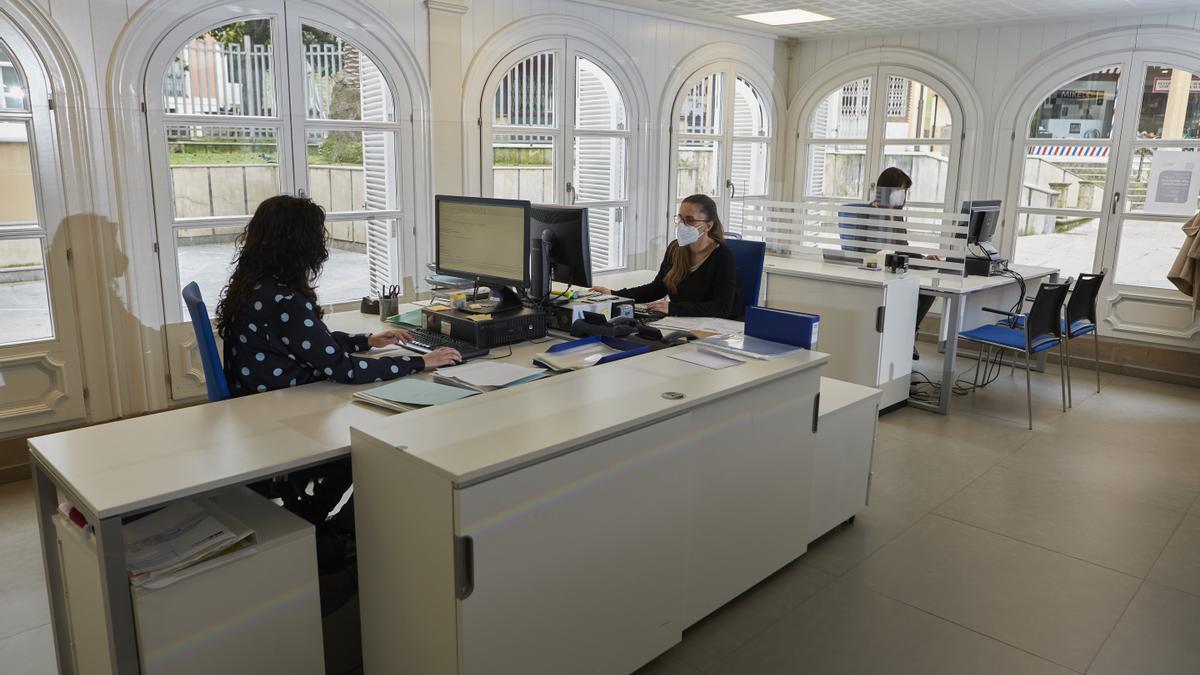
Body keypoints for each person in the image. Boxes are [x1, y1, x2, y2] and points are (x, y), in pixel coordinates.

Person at [214, 194, 461, 525]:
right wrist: (419, 363)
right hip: (284, 415)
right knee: (378, 448)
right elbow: (342, 369)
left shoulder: (256, 286)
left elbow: (309, 343)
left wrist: (366, 340)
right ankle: (338, 529)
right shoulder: (285, 302)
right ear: (302, 245)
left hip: (264, 406)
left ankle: (319, 517)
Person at [592, 193, 743, 319]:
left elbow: (721, 308)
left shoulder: (722, 256)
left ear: (708, 225)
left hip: (715, 329)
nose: (682, 224)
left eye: (689, 220)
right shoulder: (675, 248)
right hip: (681, 322)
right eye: (680, 218)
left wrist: (673, 308)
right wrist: (614, 295)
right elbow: (657, 288)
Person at [841, 168, 938, 358]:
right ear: (888, 189)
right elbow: (864, 250)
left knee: (929, 291)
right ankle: (903, 337)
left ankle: (908, 335)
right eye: (901, 189)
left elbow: (903, 248)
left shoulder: (896, 215)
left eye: (904, 191)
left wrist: (923, 259)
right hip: (874, 269)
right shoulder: (869, 213)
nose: (903, 195)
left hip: (893, 267)